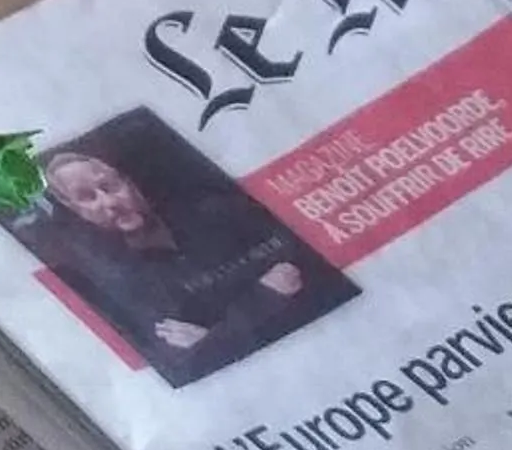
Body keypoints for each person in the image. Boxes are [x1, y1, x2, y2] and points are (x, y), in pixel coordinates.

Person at [27, 142, 346, 380]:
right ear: (77, 212)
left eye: (109, 186)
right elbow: (182, 365)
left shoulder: (217, 213)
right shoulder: (123, 283)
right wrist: (263, 299)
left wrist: (212, 336)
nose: (109, 202)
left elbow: (316, 274)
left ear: (129, 183)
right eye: (88, 197)